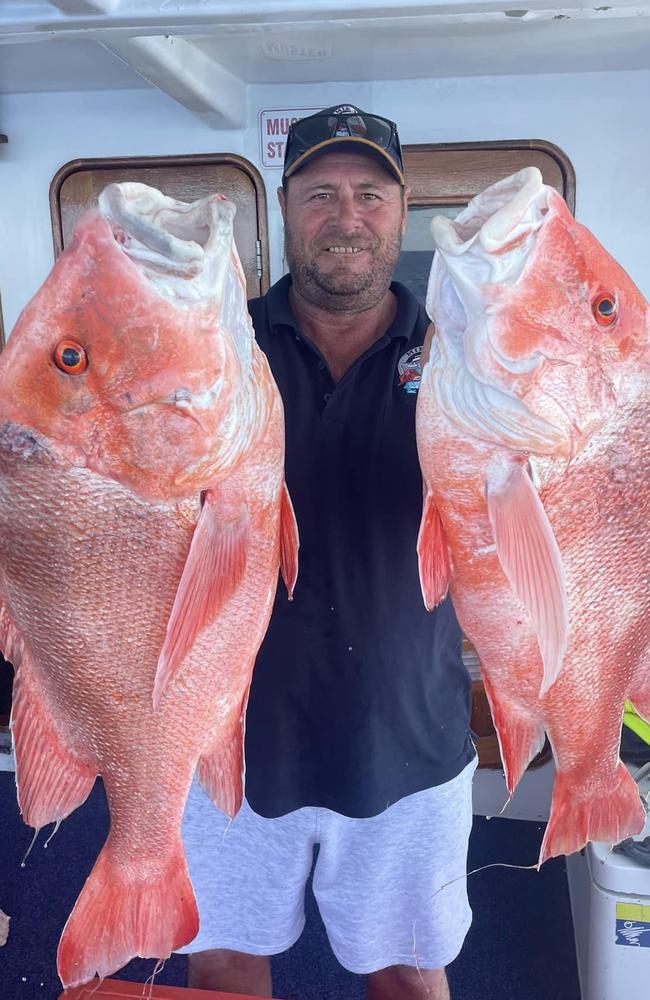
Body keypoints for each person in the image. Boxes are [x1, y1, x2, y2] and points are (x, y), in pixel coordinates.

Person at [178, 105, 476, 1000]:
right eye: (319, 195)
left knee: (408, 976)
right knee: (225, 967)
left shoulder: (465, 357)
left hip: (410, 741)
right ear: (284, 205)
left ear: (402, 207)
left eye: (368, 194)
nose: (346, 218)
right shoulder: (214, 348)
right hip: (225, 737)